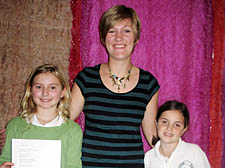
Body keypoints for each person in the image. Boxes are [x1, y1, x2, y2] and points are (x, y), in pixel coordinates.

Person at [69, 5, 160, 168]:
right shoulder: (86, 78)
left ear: (136, 37)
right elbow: (61, 122)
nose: (119, 38)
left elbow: (152, 135)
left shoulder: (148, 83)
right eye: (112, 31)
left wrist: (182, 155)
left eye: (126, 31)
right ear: (103, 38)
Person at [0, 64, 82, 168]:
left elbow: (73, 165)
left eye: (52, 87)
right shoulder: (14, 125)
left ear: (63, 92)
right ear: (30, 90)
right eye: (38, 87)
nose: (45, 93)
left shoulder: (73, 130)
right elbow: (5, 159)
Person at [144, 100, 211, 168]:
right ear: (156, 123)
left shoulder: (194, 152)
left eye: (177, 125)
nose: (169, 128)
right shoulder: (148, 158)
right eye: (164, 122)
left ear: (184, 129)